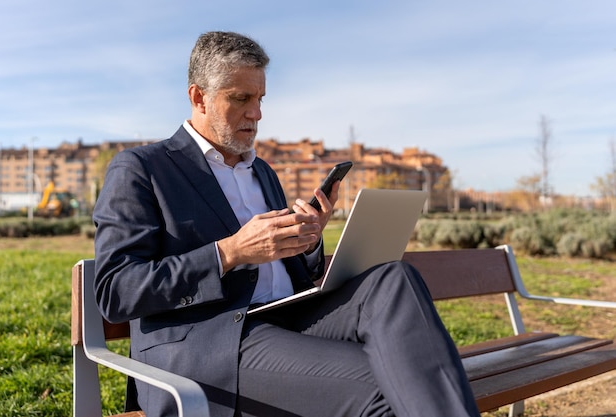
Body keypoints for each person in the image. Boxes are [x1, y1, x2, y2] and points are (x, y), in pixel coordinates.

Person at [93, 31, 480, 417]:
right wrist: (231, 252)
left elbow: (289, 270)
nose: (256, 114)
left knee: (393, 278)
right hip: (211, 345)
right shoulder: (143, 168)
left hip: (288, 320)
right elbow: (115, 292)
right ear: (199, 98)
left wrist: (308, 241)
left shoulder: (262, 172)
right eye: (240, 99)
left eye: (260, 99)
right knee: (391, 387)